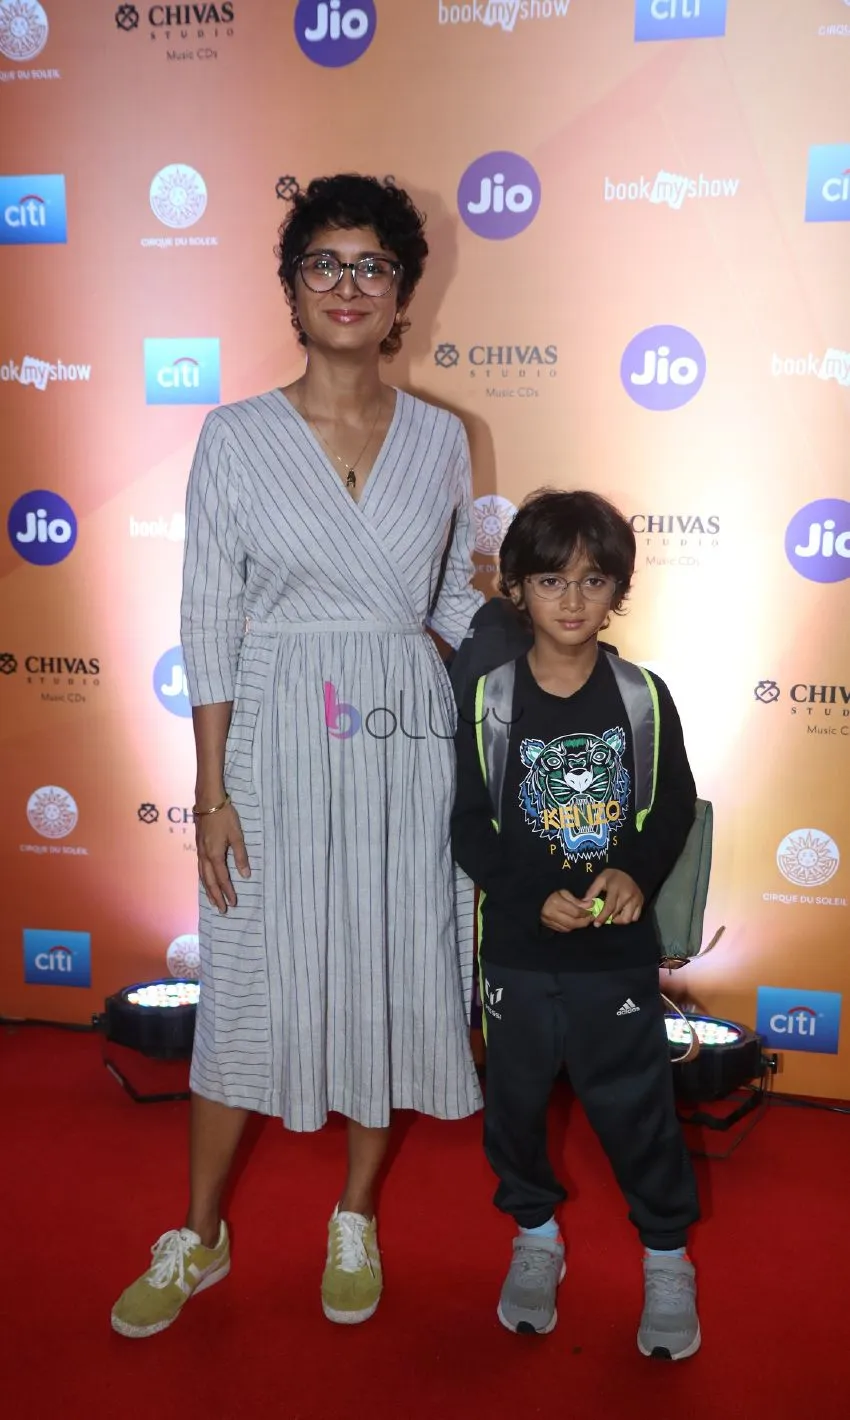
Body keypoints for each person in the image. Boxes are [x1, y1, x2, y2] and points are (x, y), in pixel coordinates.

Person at [112, 174, 484, 1340]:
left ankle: (356, 1213)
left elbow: (460, 616)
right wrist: (210, 790)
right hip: (277, 735)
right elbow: (205, 621)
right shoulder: (231, 437)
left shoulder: (444, 440)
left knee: (392, 969)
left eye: (371, 265)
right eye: (323, 263)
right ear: (287, 288)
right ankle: (201, 1234)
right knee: (247, 987)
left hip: (401, 740)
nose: (347, 286)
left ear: (401, 294)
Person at [451, 489, 702, 1360]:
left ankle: (667, 1255)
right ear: (516, 585)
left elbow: (672, 810)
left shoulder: (642, 696)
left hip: (614, 959)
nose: (571, 600)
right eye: (551, 579)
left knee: (636, 1110)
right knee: (514, 1107)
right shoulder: (487, 698)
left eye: (593, 581)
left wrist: (632, 870)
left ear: (618, 591)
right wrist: (526, 897)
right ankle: (535, 1239)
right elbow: (467, 822)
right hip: (517, 950)